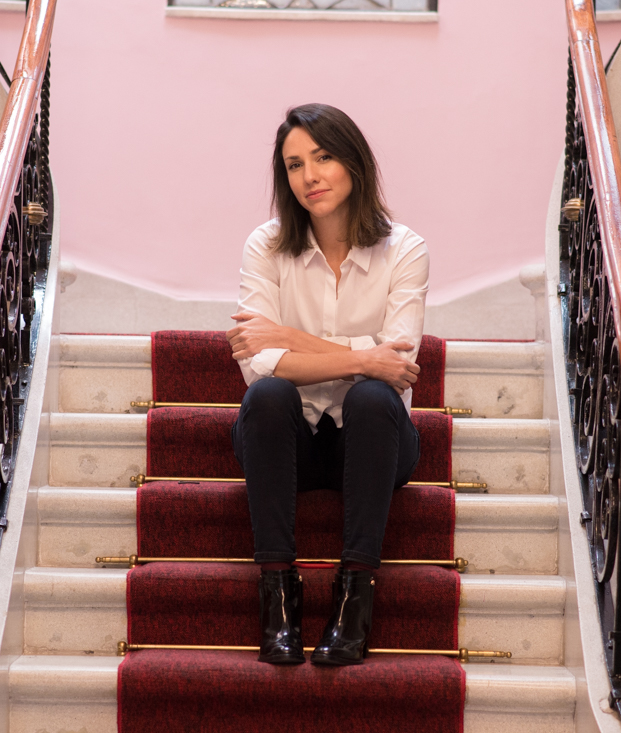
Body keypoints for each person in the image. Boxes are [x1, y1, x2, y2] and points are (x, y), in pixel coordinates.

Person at [227, 103, 429, 666]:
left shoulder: (405, 250)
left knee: (371, 397)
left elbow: (399, 364)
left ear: (355, 163)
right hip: (286, 442)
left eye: (323, 157)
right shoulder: (264, 246)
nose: (308, 176)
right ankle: (279, 598)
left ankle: (354, 597)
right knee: (267, 396)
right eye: (293, 165)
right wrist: (364, 358)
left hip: (374, 445)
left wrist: (289, 338)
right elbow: (259, 365)